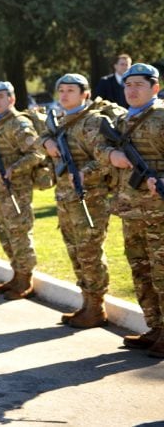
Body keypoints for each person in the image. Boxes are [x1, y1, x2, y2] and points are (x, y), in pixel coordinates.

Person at [40, 74, 119, 327]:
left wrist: (86, 173)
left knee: (89, 253)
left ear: (85, 94)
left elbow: (105, 158)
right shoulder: (61, 121)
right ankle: (86, 303)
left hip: (90, 199)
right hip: (65, 199)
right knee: (75, 252)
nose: (63, 95)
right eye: (60, 90)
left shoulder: (93, 122)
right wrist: (47, 142)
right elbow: (41, 135)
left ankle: (97, 308)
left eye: (70, 90)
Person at [97, 63, 164, 357]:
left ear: (155, 88)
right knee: (141, 270)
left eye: (139, 84)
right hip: (130, 209)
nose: (132, 90)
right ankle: (155, 328)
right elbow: (97, 148)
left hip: (158, 209)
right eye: (128, 85)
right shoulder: (123, 120)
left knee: (162, 271)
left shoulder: (161, 117)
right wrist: (111, 154)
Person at [0, 82, 43, 300]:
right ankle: (16, 274)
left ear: (11, 99)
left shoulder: (18, 124)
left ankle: (25, 280)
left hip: (16, 188)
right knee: (5, 233)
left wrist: (14, 168)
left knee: (19, 233)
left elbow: (37, 153)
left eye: (1, 97)